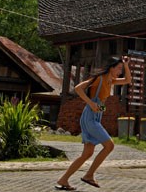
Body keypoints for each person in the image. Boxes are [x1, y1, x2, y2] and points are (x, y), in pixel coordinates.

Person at [55, 55, 131, 191]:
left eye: (121, 69)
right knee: (109, 145)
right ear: (111, 68)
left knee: (87, 154)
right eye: (118, 68)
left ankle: (63, 179)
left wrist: (125, 64)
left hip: (96, 116)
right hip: (90, 116)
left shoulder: (110, 81)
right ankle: (89, 175)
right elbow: (78, 88)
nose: (120, 71)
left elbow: (127, 80)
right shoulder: (99, 79)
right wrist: (90, 103)